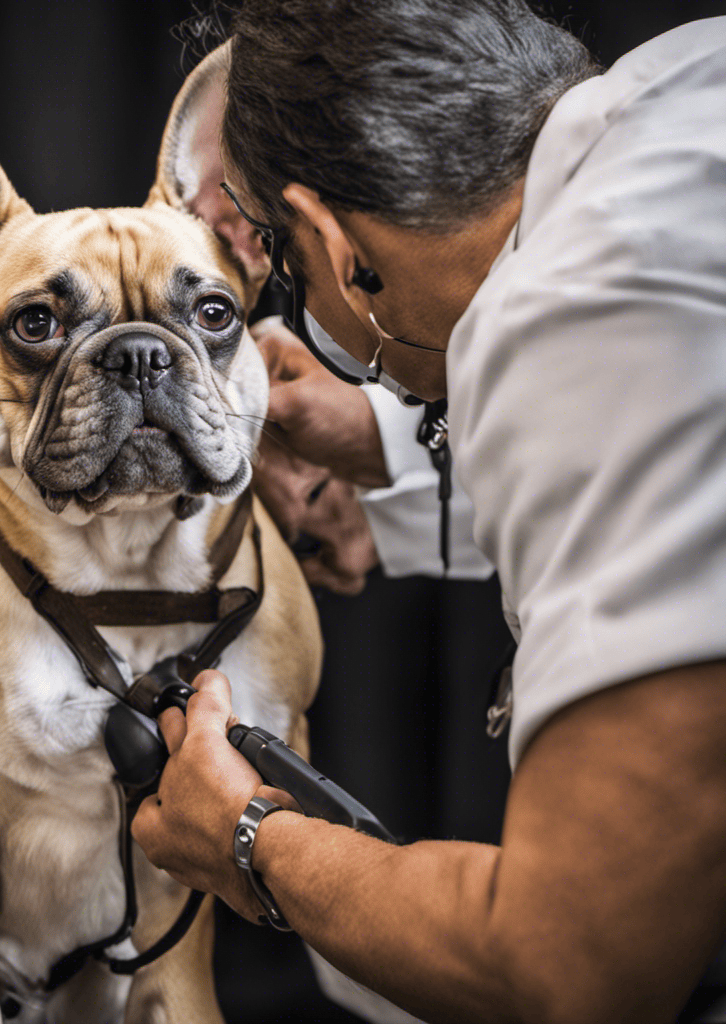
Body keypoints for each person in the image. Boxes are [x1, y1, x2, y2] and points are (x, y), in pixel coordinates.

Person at [132, 3, 726, 1023]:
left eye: (284, 262)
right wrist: (381, 450)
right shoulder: (680, 83)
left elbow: (569, 967)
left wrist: (250, 836)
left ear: (327, 237)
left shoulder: (567, 314)